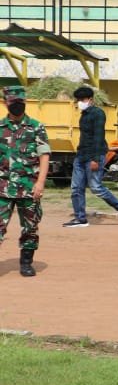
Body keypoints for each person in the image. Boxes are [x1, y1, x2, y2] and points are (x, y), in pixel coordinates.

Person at [0, 85, 50, 277]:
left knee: (30, 226)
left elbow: (44, 155)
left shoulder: (36, 127)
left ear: (25, 103)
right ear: (6, 103)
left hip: (29, 186)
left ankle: (26, 262)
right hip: (2, 187)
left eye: (20, 103)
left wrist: (41, 183)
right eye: (13, 103)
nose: (17, 106)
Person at [64, 85, 118, 228]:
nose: (80, 102)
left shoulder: (98, 113)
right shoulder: (83, 115)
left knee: (95, 187)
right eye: (78, 100)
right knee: (76, 188)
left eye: (83, 99)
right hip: (81, 155)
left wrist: (95, 159)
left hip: (95, 155)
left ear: (91, 99)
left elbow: (98, 137)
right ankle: (80, 218)